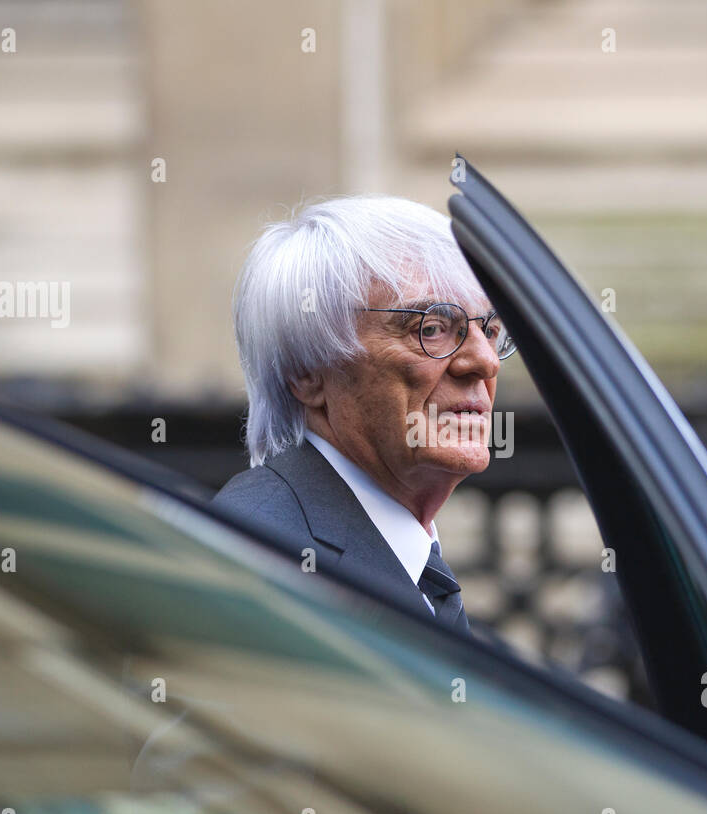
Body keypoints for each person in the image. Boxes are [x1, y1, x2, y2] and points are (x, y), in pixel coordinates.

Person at [212, 196, 516, 637]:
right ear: (307, 372)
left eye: (489, 330)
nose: (485, 362)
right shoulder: (261, 558)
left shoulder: (383, 547)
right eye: (430, 328)